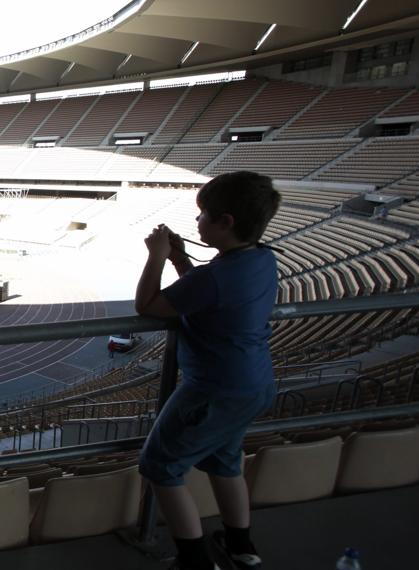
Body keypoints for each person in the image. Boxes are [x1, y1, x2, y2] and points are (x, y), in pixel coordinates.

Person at [134, 171, 280, 570]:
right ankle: (240, 547)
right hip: (254, 384)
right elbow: (203, 293)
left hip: (215, 388)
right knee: (224, 461)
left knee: (160, 466)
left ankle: (195, 560)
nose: (197, 222)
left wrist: (157, 256)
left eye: (202, 215)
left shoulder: (217, 275)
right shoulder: (261, 259)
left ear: (225, 222)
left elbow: (148, 305)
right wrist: (182, 259)